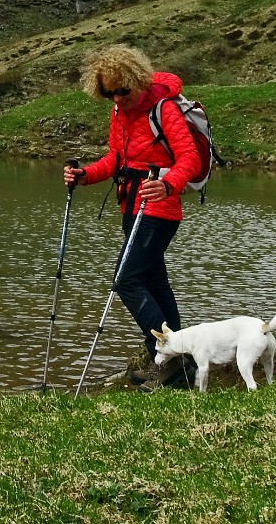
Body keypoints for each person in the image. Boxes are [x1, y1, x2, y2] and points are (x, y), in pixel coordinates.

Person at [64, 45, 200, 390]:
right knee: (154, 282)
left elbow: (189, 159)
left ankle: (170, 356)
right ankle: (175, 364)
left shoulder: (163, 108)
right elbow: (116, 159)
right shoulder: (117, 113)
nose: (118, 98)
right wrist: (87, 175)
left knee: (125, 279)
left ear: (136, 80)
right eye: (109, 92)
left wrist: (168, 185)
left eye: (123, 90)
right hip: (131, 206)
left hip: (159, 210)